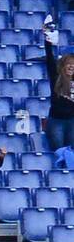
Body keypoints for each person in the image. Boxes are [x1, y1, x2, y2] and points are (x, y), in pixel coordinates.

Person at [43, 15, 74, 150]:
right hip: (56, 121)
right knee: (59, 151)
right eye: (69, 64)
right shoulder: (56, 77)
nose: (71, 66)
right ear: (63, 66)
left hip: (72, 122)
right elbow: (50, 60)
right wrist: (48, 41)